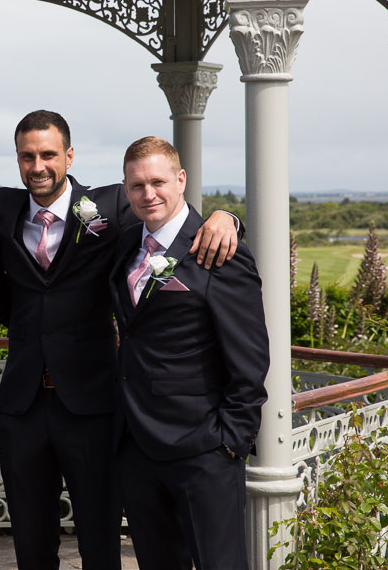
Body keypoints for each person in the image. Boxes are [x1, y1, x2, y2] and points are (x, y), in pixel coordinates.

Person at [0, 110, 241, 569]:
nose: (38, 166)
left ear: (69, 155)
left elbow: (168, 218)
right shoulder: (1, 211)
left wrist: (226, 216)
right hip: (22, 409)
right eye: (27, 156)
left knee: (99, 546)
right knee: (32, 549)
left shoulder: (113, 207)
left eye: (49, 154)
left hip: (93, 408)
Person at [111, 136, 269, 570]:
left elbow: (250, 359)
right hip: (138, 449)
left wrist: (229, 444)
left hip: (204, 453)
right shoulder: (125, 246)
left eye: (159, 182)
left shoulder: (219, 252)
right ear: (125, 190)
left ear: (181, 180)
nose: (149, 194)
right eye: (137, 185)